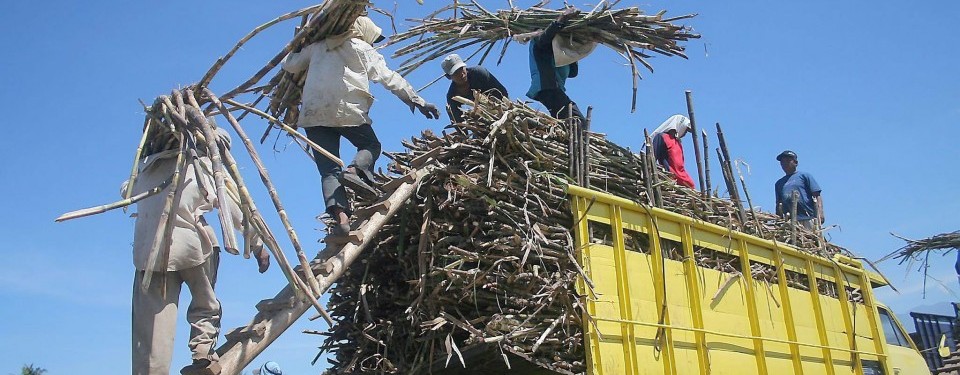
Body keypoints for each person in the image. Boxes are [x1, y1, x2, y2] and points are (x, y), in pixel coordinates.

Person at [128, 127, 270, 375]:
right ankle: (202, 351)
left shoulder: (146, 169)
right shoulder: (203, 165)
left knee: (151, 325)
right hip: (192, 248)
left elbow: (126, 191)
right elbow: (234, 210)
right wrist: (257, 245)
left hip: (148, 255)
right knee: (205, 304)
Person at [281, 16, 440, 235]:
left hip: (313, 115)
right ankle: (356, 170)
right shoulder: (363, 48)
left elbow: (290, 65)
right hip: (347, 110)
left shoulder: (317, 47)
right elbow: (389, 78)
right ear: (364, 31)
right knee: (371, 146)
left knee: (329, 171)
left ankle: (342, 220)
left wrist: (296, 45)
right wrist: (417, 100)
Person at [525, 7, 592, 124]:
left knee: (569, 120)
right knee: (577, 121)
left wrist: (574, 49)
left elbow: (573, 73)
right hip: (547, 88)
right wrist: (562, 18)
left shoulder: (558, 50)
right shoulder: (539, 40)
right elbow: (544, 39)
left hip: (553, 90)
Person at [440, 53, 509, 123]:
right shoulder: (452, 95)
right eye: (455, 72)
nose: (461, 73)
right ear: (448, 77)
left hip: (502, 111)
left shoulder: (479, 73)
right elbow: (458, 121)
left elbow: (503, 93)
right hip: (483, 121)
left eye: (461, 68)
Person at [774, 150, 824, 230]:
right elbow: (779, 204)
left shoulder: (804, 176)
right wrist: (779, 220)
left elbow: (817, 195)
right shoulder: (779, 183)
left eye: (787, 161)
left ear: (796, 163)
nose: (784, 164)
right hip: (789, 220)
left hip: (807, 217)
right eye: (782, 162)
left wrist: (820, 213)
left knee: (811, 238)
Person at [650, 115, 695, 189]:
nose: (685, 133)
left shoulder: (678, 143)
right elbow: (653, 157)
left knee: (692, 185)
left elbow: (680, 166)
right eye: (685, 130)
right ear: (680, 126)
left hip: (683, 179)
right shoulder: (662, 137)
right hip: (671, 177)